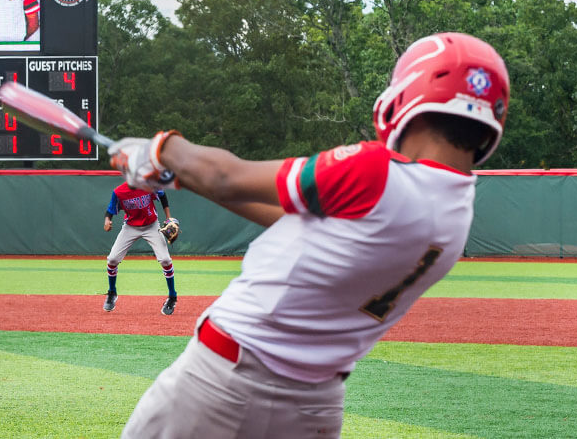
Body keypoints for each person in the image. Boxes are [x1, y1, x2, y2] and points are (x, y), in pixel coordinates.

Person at [108, 32, 509, 438]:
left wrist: (160, 150)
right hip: (313, 407)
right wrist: (184, 179)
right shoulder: (457, 212)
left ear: (412, 90)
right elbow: (296, 222)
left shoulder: (376, 171)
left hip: (221, 382)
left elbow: (227, 177)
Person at [102, 181, 178, 315]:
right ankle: (112, 292)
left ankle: (172, 297)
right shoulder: (119, 192)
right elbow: (110, 210)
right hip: (130, 227)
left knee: (166, 260)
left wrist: (168, 218)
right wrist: (107, 220)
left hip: (152, 226)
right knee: (112, 259)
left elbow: (162, 195)